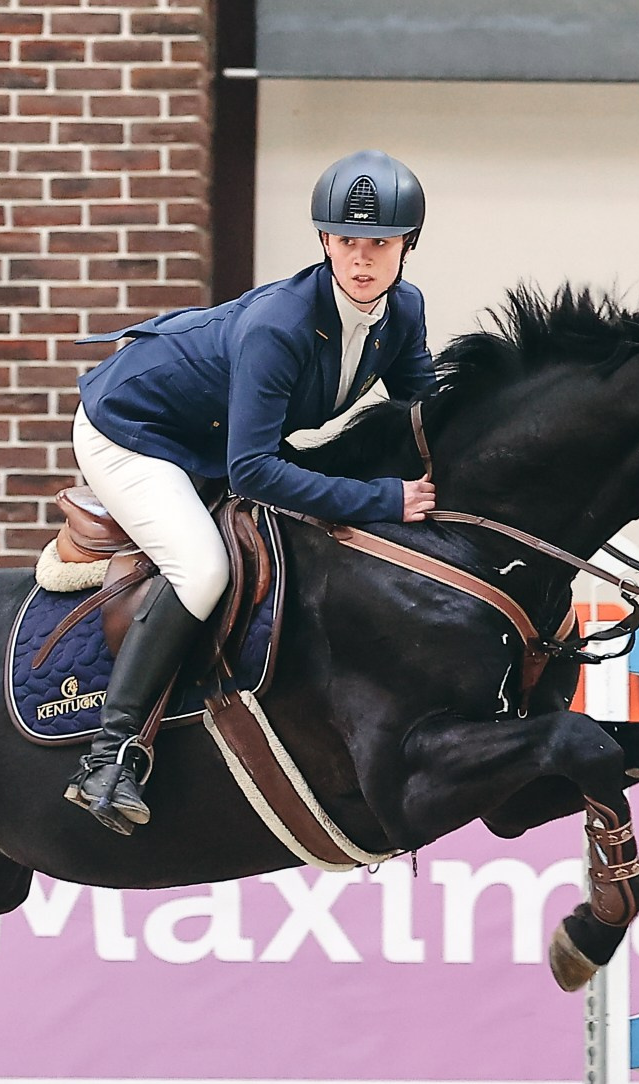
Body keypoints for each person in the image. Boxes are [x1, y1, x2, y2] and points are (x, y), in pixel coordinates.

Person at [61, 149, 439, 833]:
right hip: (133, 428)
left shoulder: (404, 310)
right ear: (324, 241)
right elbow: (253, 473)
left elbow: (426, 417)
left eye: (379, 242)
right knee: (203, 567)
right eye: (346, 240)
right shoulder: (281, 326)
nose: (361, 258)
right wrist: (386, 499)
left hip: (209, 432)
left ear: (406, 245)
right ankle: (109, 757)